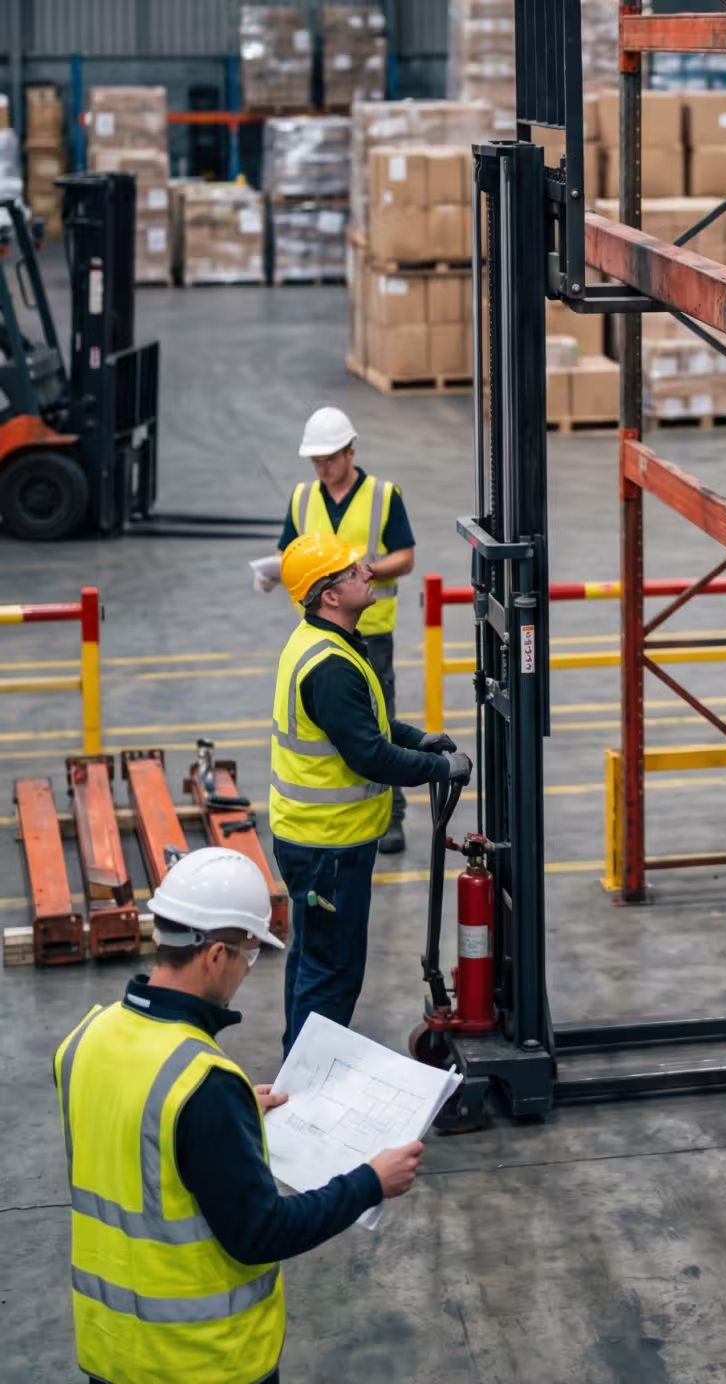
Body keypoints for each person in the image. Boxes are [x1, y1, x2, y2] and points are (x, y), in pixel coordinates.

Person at [54, 847, 425, 1384]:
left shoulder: (86, 1039)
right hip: (202, 1361)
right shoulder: (202, 1084)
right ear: (213, 956)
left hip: (112, 1350)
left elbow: (134, 1130)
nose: (245, 973)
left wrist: (227, 1113)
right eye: (248, 957)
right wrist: (370, 1181)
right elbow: (262, 1233)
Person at [270, 530, 472, 1056]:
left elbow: (367, 726)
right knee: (331, 970)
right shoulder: (331, 666)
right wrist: (440, 766)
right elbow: (370, 756)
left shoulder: (325, 642)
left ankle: (299, 1057)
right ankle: (309, 1083)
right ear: (330, 596)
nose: (368, 572)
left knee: (312, 957)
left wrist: (416, 738)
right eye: (353, 570)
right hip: (328, 848)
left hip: (318, 843)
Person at [278, 406, 417, 854]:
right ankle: (350, 808)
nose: (322, 467)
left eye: (330, 458)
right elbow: (291, 553)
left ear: (350, 451)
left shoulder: (381, 495)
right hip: (322, 632)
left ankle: (391, 816)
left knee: (378, 719)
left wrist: (360, 574)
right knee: (337, 726)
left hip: (371, 632)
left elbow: (406, 557)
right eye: (316, 460)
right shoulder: (303, 498)